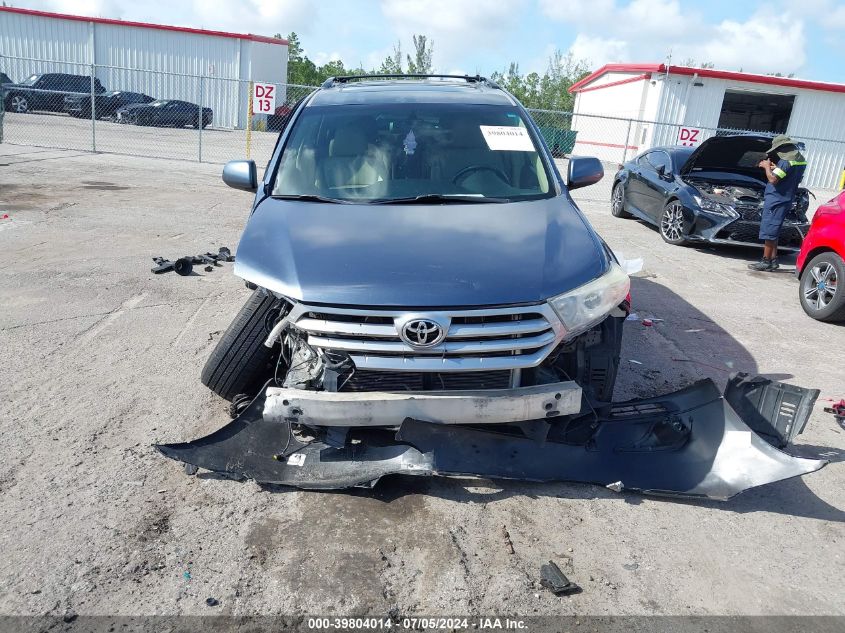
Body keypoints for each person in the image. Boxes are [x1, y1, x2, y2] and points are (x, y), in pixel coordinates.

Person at [748, 135, 807, 271]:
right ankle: (773, 260)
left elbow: (773, 180)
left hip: (776, 199)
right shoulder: (800, 160)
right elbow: (787, 174)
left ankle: (766, 261)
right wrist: (776, 167)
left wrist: (766, 166)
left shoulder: (785, 162)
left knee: (769, 230)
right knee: (774, 230)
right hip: (786, 198)